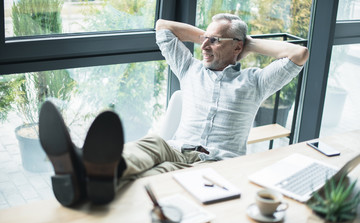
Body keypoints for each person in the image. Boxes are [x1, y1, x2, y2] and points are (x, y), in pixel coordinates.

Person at [39, 13, 309, 207]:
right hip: (176, 146)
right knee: (150, 144)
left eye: (214, 41)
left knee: (150, 178)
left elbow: (299, 54)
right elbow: (163, 26)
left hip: (215, 164)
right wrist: (214, 37)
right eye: (205, 38)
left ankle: (84, 185)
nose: (203, 46)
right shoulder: (189, 68)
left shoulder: (255, 82)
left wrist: (246, 43)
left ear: (237, 46)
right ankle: (89, 165)